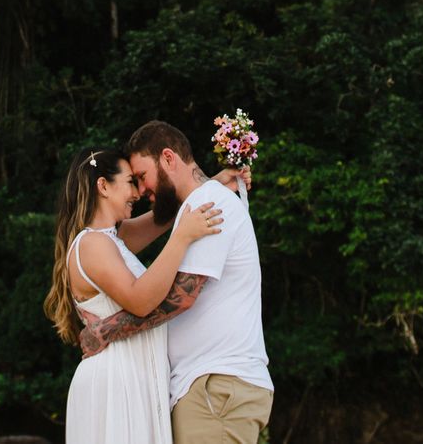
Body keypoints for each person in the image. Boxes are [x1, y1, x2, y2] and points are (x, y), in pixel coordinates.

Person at [80, 121, 273, 444]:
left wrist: (105, 330)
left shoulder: (211, 206)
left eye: (142, 177)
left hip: (216, 385)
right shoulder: (198, 206)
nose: (141, 192)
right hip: (207, 387)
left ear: (168, 158)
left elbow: (180, 297)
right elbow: (118, 238)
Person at [42, 145, 225, 444]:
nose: (138, 192)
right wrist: (181, 238)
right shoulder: (92, 245)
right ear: (103, 185)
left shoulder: (111, 240)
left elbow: (169, 214)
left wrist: (214, 184)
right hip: (117, 380)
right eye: (130, 182)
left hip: (133, 376)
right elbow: (141, 301)